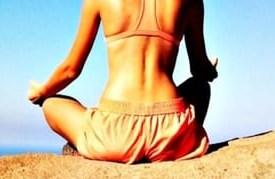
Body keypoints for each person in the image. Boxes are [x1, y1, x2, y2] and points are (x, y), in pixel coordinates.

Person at [27, 0, 217, 164]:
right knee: (200, 88)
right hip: (171, 132)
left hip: (113, 134)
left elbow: (70, 70)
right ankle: (166, 149)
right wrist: (211, 69)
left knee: (51, 104)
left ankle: (89, 148)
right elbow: (200, 71)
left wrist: (42, 92)